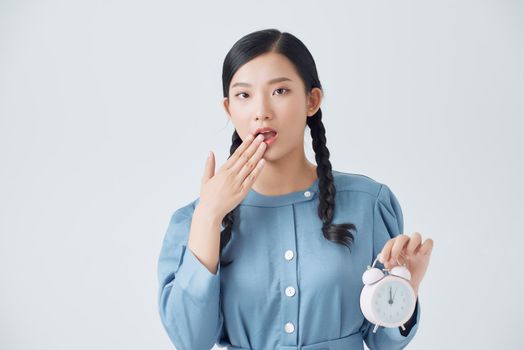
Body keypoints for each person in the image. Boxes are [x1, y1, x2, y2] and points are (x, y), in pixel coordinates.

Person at [157, 28, 434, 350]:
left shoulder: (369, 204)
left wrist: (404, 293)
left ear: (312, 100)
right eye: (244, 95)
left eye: (280, 91)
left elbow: (383, 343)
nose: (261, 110)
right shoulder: (191, 221)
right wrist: (208, 217)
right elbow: (191, 342)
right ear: (229, 109)